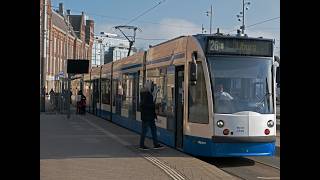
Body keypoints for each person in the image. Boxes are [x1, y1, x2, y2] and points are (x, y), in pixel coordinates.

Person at [139, 80, 164, 150]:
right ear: (149, 86)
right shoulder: (146, 93)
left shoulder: (147, 93)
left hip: (150, 116)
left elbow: (149, 102)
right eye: (152, 86)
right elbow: (143, 105)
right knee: (144, 131)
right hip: (147, 116)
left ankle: (155, 144)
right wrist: (154, 105)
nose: (153, 87)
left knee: (153, 130)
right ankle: (141, 145)